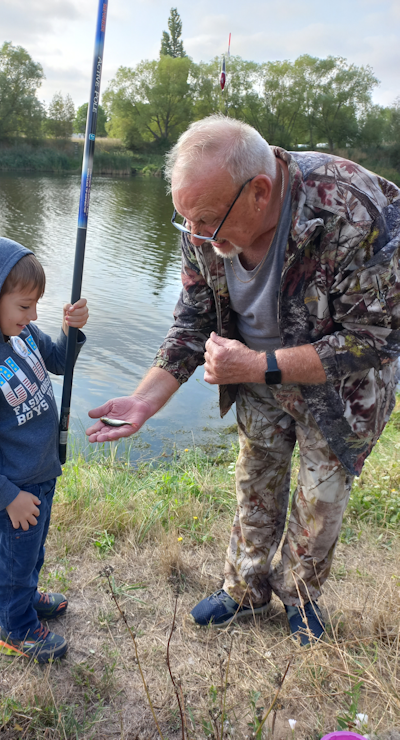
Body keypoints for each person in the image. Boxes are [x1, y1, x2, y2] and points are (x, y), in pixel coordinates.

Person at [86, 115, 400, 646]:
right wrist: (144, 401)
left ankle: (300, 598)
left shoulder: (354, 208)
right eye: (187, 220)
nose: (198, 235)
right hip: (253, 375)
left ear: (259, 191)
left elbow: (375, 338)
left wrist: (257, 365)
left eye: (206, 221)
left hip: (342, 389)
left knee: (321, 500)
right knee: (255, 481)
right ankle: (244, 591)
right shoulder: (201, 221)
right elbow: (192, 322)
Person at [0, 234, 88, 662]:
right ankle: (16, 628)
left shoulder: (22, 335)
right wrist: (8, 498)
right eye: (24, 307)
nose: (33, 315)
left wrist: (70, 329)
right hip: (16, 489)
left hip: (41, 475)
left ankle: (26, 598)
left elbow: (60, 362)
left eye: (36, 305)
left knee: (32, 551)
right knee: (14, 560)